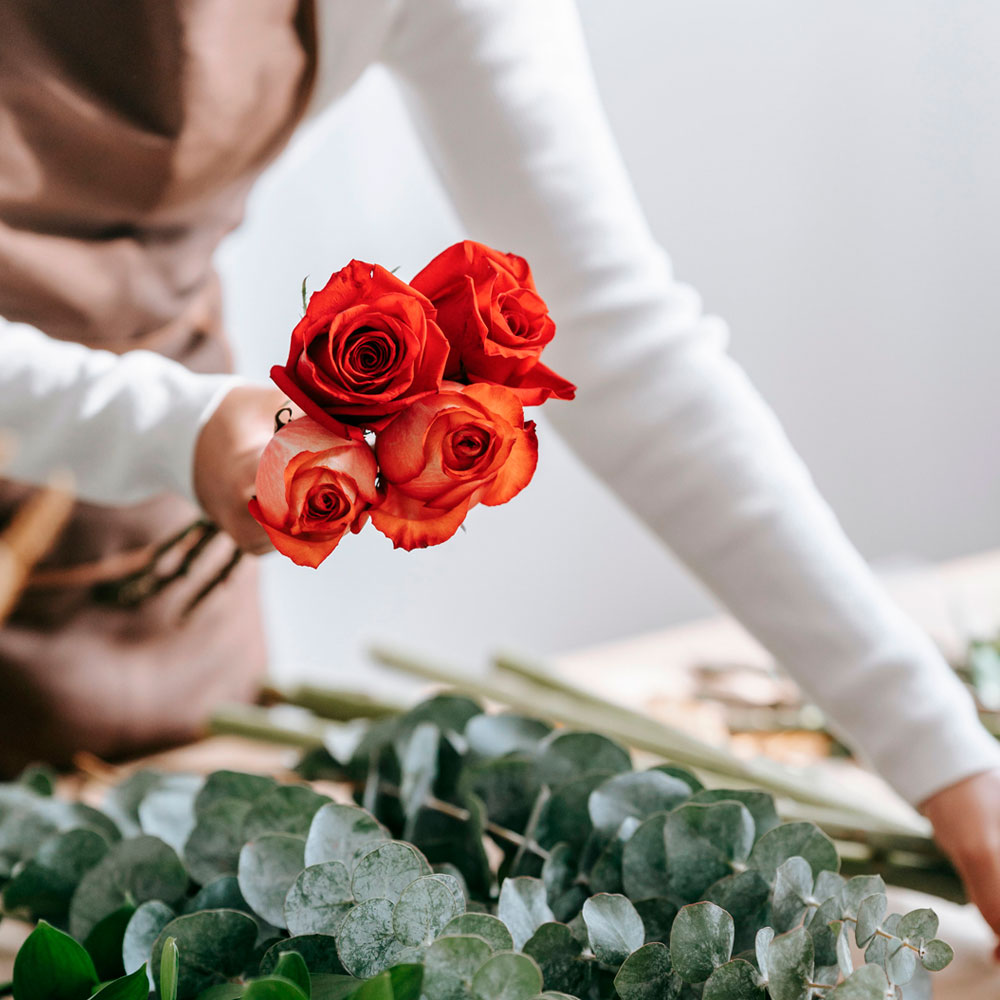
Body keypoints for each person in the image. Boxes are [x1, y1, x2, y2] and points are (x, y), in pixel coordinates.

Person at [2, 0, 1000, 943]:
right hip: (167, 439)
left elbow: (612, 333)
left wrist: (947, 759)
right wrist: (171, 425)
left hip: (157, 550)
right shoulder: (171, 422)